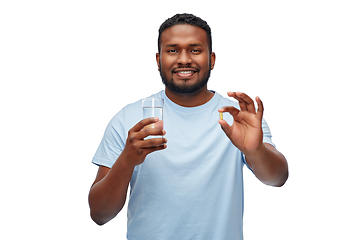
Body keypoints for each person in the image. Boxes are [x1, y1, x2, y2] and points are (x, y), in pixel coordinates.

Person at [88, 13, 288, 240]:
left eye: (195, 50)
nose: (184, 59)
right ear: (158, 60)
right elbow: (99, 214)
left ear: (212, 59)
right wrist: (126, 160)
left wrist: (256, 150)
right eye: (173, 50)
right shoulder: (128, 119)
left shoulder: (239, 117)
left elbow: (278, 178)